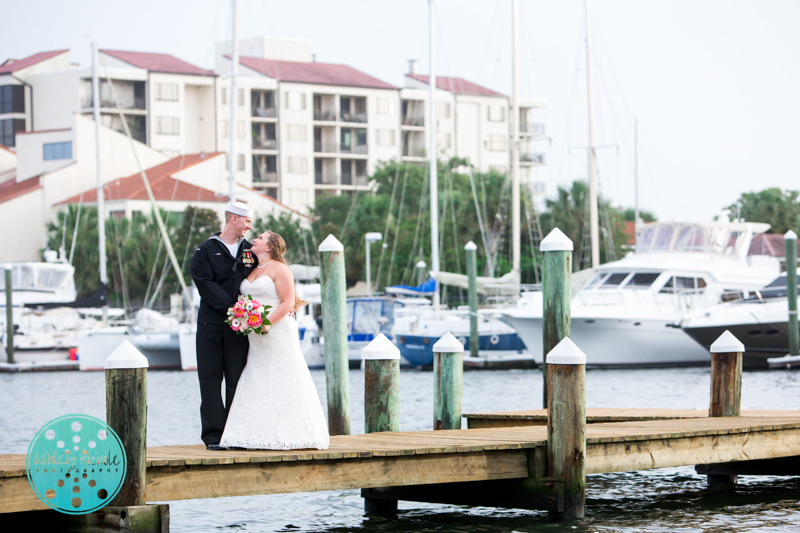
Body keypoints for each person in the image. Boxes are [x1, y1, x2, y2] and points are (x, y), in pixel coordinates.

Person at [220, 230, 329, 450]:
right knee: (257, 378)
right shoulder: (252, 269)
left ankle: (296, 433)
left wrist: (267, 322)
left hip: (277, 332)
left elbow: (288, 302)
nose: (255, 240)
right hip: (256, 337)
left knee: (284, 376)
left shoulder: (280, 269)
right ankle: (254, 435)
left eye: (260, 238)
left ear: (269, 246)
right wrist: (243, 316)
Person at [190, 202, 256, 450]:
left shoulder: (250, 251)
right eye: (246, 221)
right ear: (234, 219)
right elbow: (204, 282)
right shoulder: (205, 250)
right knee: (209, 378)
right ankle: (214, 437)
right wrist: (231, 307)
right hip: (211, 324)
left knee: (237, 379)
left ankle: (236, 433)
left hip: (239, 327)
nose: (249, 226)